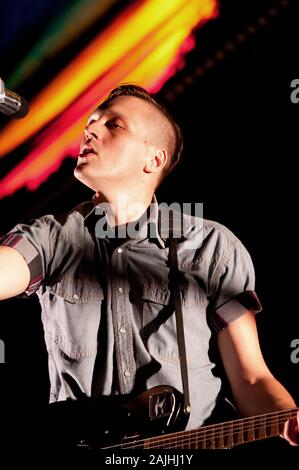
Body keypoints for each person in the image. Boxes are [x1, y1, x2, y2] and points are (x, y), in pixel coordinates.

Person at [0, 84, 298, 449]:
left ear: (153, 160)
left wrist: (288, 420)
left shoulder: (211, 247)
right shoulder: (51, 238)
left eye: (114, 125)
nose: (89, 130)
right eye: (91, 122)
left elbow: (251, 379)